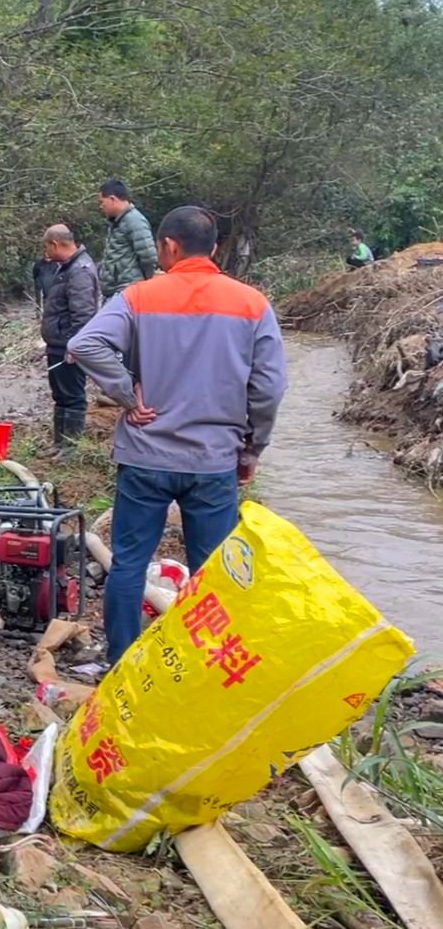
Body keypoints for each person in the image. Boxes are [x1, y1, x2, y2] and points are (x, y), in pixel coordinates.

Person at [67, 206, 287, 665]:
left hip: (146, 455)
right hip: (214, 461)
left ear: (169, 245)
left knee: (128, 564)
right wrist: (252, 447)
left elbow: (84, 344)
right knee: (215, 574)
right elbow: (269, 387)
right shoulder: (252, 304)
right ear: (215, 247)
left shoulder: (140, 296)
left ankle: (121, 661)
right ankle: (205, 664)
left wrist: (127, 393)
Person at [36, 224, 99, 452]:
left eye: (46, 247)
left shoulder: (80, 270)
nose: (46, 253)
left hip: (68, 346)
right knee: (60, 395)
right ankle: (59, 443)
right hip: (57, 344)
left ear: (55, 244)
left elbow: (83, 314)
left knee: (73, 396)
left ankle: (71, 447)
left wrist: (75, 346)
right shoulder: (66, 268)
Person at [97, 180, 158, 300]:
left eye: (102, 202)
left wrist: (145, 282)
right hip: (116, 292)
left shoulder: (135, 220)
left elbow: (148, 256)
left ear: (112, 199)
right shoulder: (117, 222)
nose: (101, 207)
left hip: (128, 292)